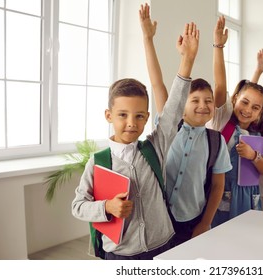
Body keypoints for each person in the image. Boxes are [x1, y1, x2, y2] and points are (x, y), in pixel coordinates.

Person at [71, 21, 200, 260]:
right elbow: (78, 206)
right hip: (121, 254)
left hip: (163, 246)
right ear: (109, 116)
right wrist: (106, 207)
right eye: (122, 115)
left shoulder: (154, 148)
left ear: (147, 118)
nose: (131, 122)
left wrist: (187, 61)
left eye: (139, 116)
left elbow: (172, 111)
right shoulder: (98, 162)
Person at [139, 3, 232, 247]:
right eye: (195, 100)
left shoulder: (216, 140)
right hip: (159, 218)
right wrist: (148, 39)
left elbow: (218, 186)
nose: (203, 105)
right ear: (182, 103)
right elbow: (156, 81)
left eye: (208, 101)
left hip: (194, 221)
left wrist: (205, 223)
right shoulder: (167, 125)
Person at [207, 15, 263, 227]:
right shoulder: (222, 121)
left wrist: (254, 156)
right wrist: (218, 46)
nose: (247, 111)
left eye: (255, 108)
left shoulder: (258, 135)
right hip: (220, 201)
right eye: (243, 103)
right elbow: (220, 85)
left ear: (261, 112)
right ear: (235, 99)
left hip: (250, 201)